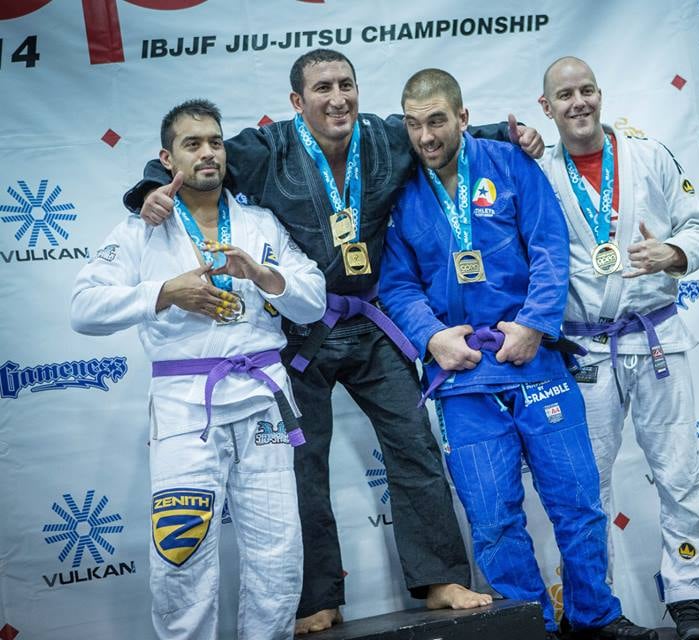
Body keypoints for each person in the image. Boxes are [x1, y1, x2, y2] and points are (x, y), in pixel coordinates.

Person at [122, 48, 544, 634]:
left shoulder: (386, 138)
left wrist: (515, 135)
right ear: (297, 101)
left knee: (414, 444)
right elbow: (192, 157)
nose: (337, 97)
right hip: (300, 333)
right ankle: (315, 597)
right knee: (301, 461)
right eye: (322, 88)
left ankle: (441, 578)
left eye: (346, 84)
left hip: (372, 321)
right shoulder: (264, 150)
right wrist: (147, 188)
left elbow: (439, 134)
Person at [379, 67, 656, 640]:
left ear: (461, 117)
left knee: (577, 501)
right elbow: (398, 284)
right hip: (463, 375)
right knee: (492, 519)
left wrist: (533, 324)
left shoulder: (510, 165)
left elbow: (550, 248)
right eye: (413, 125)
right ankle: (528, 627)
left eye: (436, 121)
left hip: (534, 361)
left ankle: (595, 617)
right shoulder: (403, 194)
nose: (426, 137)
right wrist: (432, 337)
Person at [72, 99, 327, 640]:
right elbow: (84, 308)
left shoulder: (260, 222)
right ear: (167, 159)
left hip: (262, 401)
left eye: (214, 141)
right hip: (186, 404)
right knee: (181, 551)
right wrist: (166, 292)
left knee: (277, 549)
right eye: (193, 144)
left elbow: (314, 302)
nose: (208, 152)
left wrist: (263, 275)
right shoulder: (141, 231)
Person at [537, 57, 699, 640]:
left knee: (680, 473)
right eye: (564, 95)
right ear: (547, 107)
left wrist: (674, 253)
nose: (578, 102)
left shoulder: (648, 154)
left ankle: (690, 601)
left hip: (658, 336)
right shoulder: (538, 170)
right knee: (588, 489)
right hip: (587, 351)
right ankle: (593, 609)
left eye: (586, 89)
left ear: (600, 93)